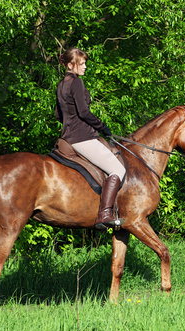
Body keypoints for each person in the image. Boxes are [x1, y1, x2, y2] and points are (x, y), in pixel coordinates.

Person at [55, 47, 126, 230]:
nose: (85, 67)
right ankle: (104, 214)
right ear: (71, 65)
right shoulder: (76, 83)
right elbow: (84, 112)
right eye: (82, 63)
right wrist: (102, 127)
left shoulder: (61, 84)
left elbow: (58, 114)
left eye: (85, 63)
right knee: (117, 169)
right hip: (82, 138)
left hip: (67, 137)